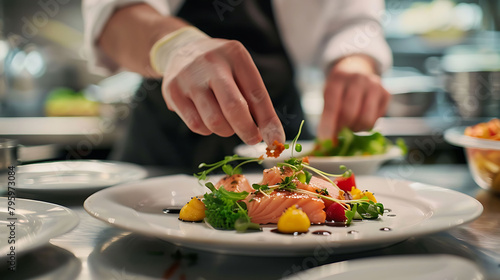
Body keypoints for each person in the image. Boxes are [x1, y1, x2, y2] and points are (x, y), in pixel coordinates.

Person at [82, 0, 392, 171]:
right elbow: (110, 15)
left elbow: (354, 19)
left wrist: (355, 60)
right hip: (163, 133)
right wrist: (177, 47)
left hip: (282, 117)